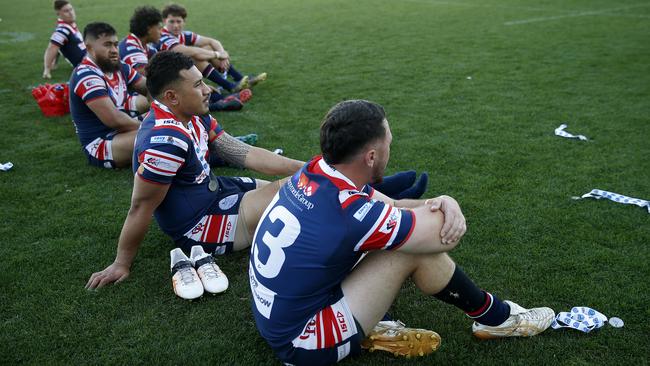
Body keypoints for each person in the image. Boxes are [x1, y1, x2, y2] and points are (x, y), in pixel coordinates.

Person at [84, 53, 432, 292]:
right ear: (172, 97)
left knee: (305, 187)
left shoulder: (192, 114)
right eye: (198, 85)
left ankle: (381, 194)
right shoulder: (164, 140)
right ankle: (389, 201)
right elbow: (140, 206)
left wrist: (315, 168)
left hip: (216, 192)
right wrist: (121, 262)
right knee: (300, 194)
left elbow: (244, 153)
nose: (208, 89)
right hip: (200, 225)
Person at [249, 100, 555, 365]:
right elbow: (440, 236)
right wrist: (449, 204)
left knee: (391, 238)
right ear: (370, 157)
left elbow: (393, 204)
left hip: (279, 317)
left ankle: (367, 323)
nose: (389, 150)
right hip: (303, 343)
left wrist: (434, 202)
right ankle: (497, 319)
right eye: (388, 143)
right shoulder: (350, 212)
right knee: (410, 251)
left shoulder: (317, 170)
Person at [119, 6, 249, 111]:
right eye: (158, 28)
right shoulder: (131, 48)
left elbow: (165, 68)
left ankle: (221, 98)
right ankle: (216, 104)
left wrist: (199, 84)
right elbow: (148, 82)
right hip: (135, 98)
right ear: (148, 29)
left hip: (146, 93)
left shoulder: (144, 46)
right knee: (175, 88)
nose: (161, 31)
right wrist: (188, 86)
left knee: (187, 82)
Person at [69, 22, 149, 169]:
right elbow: (115, 120)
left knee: (177, 116)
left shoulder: (119, 66)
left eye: (115, 44)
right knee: (163, 136)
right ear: (89, 48)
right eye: (107, 45)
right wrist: (154, 127)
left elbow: (150, 89)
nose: (114, 50)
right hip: (101, 144)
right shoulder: (86, 75)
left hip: (123, 131)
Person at [160, 4, 267, 94]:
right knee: (193, 57)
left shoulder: (183, 34)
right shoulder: (163, 36)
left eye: (179, 21)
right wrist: (218, 55)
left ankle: (240, 79)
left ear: (184, 21)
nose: (175, 25)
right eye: (172, 22)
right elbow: (190, 52)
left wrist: (222, 55)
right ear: (165, 21)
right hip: (167, 78)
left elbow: (213, 42)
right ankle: (230, 86)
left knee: (207, 47)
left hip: (179, 72)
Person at [43, 0, 86, 78]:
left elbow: (58, 46)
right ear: (58, 13)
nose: (71, 13)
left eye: (71, 9)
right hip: (86, 62)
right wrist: (47, 69)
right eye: (66, 11)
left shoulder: (70, 25)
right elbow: (52, 48)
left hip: (90, 57)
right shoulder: (63, 30)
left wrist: (55, 63)